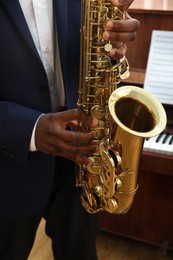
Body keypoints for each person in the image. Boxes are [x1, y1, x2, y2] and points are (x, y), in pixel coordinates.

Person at [0, 0, 140, 259]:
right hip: (7, 168)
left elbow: (96, 48)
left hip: (82, 159)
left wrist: (113, 40)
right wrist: (29, 128)